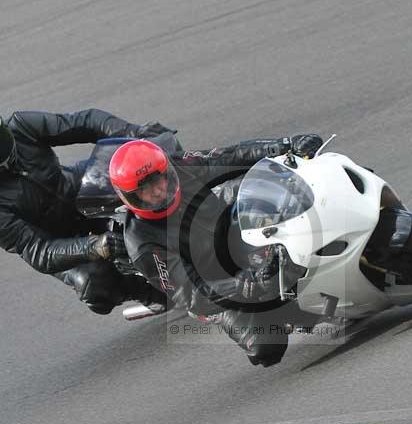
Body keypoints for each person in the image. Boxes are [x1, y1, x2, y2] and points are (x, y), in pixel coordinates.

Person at [108, 134, 323, 366]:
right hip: (215, 288)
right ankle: (286, 313)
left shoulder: (181, 165)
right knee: (266, 346)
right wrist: (244, 286)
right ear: (130, 197)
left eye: (159, 179)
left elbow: (229, 156)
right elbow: (190, 295)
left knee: (274, 188)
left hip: (231, 233)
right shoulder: (141, 243)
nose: (159, 191)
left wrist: (286, 145)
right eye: (145, 189)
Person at [0, 99, 169, 314]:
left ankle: (192, 206)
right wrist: (96, 245)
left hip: (78, 188)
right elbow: (38, 251)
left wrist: (132, 133)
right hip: (60, 240)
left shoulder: (21, 126)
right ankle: (148, 294)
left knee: (141, 163)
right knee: (93, 282)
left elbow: (85, 121)